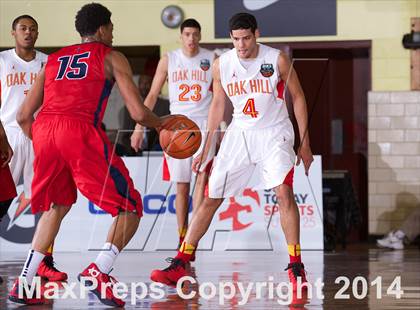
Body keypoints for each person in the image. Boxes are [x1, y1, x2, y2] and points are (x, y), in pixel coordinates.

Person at [8, 3, 164, 306]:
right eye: (112, 29)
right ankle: (99, 270)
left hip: (45, 131)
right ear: (103, 29)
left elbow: (24, 115)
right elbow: (137, 112)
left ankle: (23, 283)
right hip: (78, 130)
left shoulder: (51, 60)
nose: (113, 35)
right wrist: (163, 124)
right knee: (129, 206)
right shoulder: (111, 56)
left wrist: (44, 142)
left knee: (57, 204)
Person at [150, 13, 314, 291]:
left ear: (256, 34)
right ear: (231, 38)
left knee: (283, 192)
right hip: (240, 132)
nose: (241, 44)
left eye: (246, 38)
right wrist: (206, 144)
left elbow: (298, 97)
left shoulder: (277, 59)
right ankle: (181, 262)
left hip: (274, 132)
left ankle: (296, 266)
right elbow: (217, 104)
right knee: (210, 197)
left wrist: (305, 141)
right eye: (236, 39)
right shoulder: (221, 64)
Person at [131, 19, 215, 251]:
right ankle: (182, 235)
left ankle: (191, 240)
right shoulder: (169, 59)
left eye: (195, 34)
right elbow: (153, 94)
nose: (191, 39)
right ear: (181, 36)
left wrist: (224, 124)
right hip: (177, 124)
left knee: (201, 181)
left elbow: (220, 97)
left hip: (204, 124)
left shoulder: (212, 58)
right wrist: (139, 127)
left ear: (200, 35)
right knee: (182, 185)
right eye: (187, 34)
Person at [0, 14, 67, 282]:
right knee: (2, 201)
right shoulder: (2, 61)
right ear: (13, 33)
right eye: (23, 28)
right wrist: (1, 139)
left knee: (47, 202)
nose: (28, 32)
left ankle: (44, 261)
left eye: (33, 29)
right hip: (9, 135)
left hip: (41, 135)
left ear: (38, 34)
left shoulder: (48, 62)